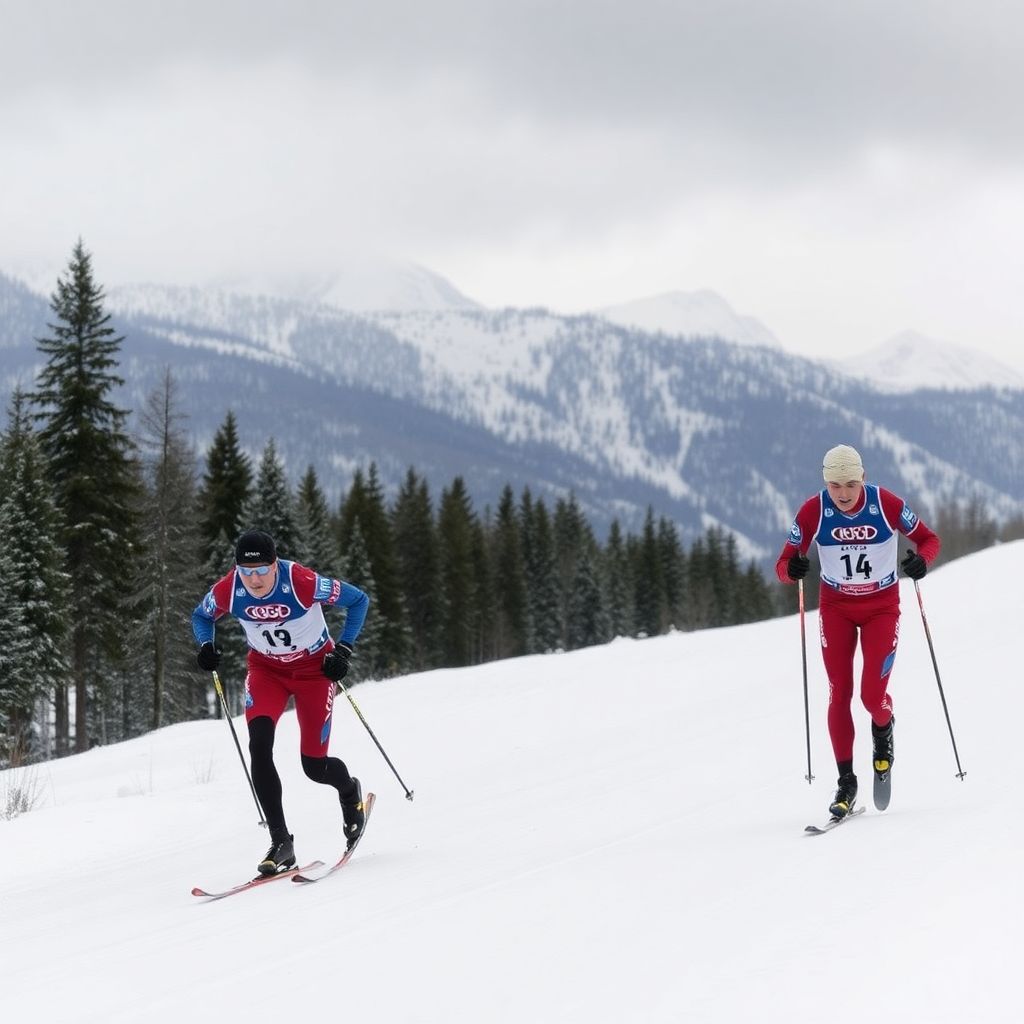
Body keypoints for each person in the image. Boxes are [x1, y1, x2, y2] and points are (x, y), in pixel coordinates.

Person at [192, 529, 371, 875]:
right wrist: (206, 646)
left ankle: (350, 794)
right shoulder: (230, 589)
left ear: (275, 565)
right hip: (265, 670)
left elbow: (358, 600)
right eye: (246, 572)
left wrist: (344, 649)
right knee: (259, 745)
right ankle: (280, 841)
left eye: (261, 571)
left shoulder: (301, 581)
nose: (254, 580)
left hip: (313, 670)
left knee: (314, 766)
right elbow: (201, 616)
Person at [776, 444, 940, 819]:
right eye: (835, 485)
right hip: (836, 608)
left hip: (882, 607)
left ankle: (883, 736)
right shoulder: (814, 510)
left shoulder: (886, 503)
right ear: (826, 484)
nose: (844, 493)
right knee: (839, 693)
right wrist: (793, 571)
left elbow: (930, 540)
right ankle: (846, 783)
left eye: (851, 483)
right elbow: (783, 563)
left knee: (872, 696)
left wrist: (920, 563)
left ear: (863, 478)